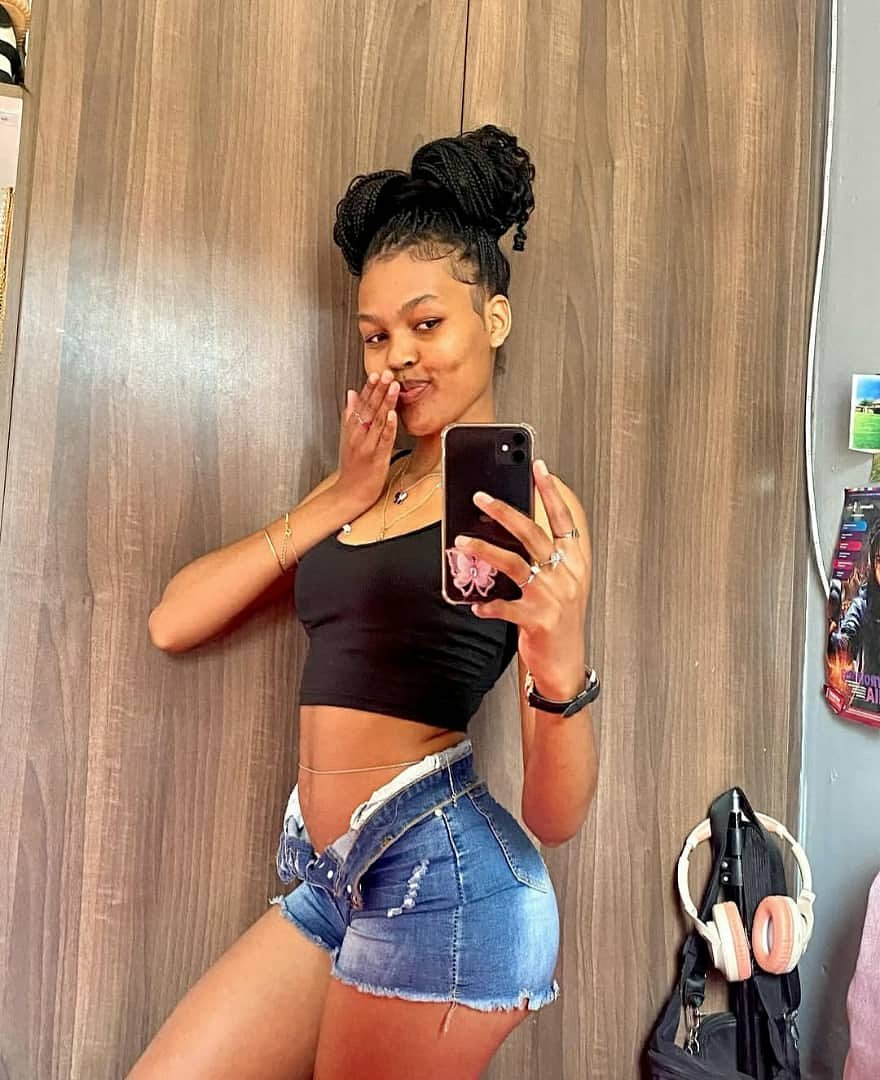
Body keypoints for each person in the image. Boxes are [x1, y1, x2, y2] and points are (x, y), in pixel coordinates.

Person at [131, 124, 599, 1080]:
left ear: (494, 320)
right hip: (334, 880)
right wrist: (337, 498)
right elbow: (172, 621)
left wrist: (563, 662)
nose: (396, 359)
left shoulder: (526, 508)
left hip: (446, 881)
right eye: (376, 336)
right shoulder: (359, 485)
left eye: (427, 325)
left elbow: (554, 816)